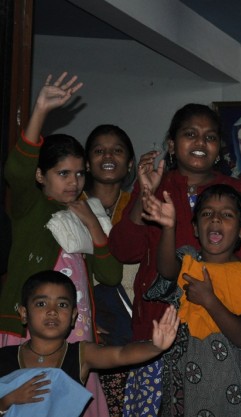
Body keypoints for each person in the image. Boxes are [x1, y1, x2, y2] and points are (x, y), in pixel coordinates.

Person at [107, 103, 241, 415]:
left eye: (209, 137)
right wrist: (145, 194)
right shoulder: (156, 185)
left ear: (219, 148)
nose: (200, 142)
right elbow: (124, 250)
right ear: (171, 144)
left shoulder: (235, 192)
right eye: (190, 134)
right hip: (156, 330)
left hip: (223, 337)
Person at [0, 73, 121, 417]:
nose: (74, 182)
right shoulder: (31, 207)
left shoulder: (87, 212)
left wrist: (93, 223)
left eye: (80, 173)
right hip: (28, 331)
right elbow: (17, 170)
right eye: (63, 173)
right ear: (41, 176)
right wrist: (40, 109)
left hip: (75, 333)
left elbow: (111, 275)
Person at [141, 184, 241, 417]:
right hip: (183, 389)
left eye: (227, 215)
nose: (216, 219)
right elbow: (167, 269)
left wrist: (209, 300)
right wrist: (168, 228)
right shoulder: (189, 261)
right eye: (207, 213)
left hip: (229, 390)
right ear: (195, 227)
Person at [0, 270, 179, 417]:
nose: (52, 311)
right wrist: (8, 400)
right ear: (24, 313)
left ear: (73, 316)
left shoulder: (81, 354)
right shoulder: (5, 356)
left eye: (62, 305)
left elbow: (121, 354)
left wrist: (155, 347)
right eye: (41, 304)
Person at [82, 124, 136, 417]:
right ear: (87, 162)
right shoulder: (72, 207)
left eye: (117, 150)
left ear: (130, 163)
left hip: (131, 324)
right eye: (99, 150)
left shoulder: (138, 208)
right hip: (84, 324)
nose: (108, 156)